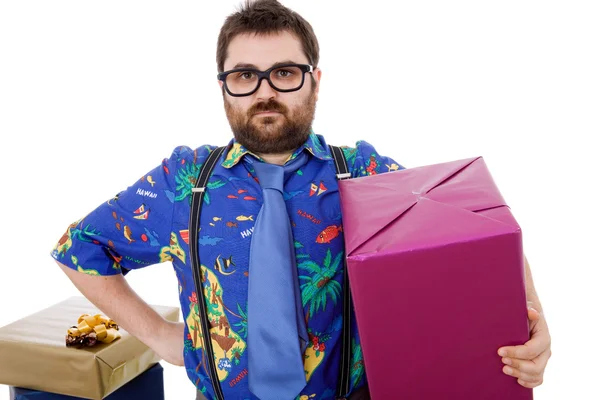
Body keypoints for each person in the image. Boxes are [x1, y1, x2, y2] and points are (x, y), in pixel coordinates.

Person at [51, 1, 551, 399]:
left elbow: (474, 230)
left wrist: (531, 317)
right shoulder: (183, 181)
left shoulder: (362, 171)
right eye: (245, 75)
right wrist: (159, 336)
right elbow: (81, 247)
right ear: (224, 88)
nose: (265, 91)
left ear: (314, 78)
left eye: (285, 72)